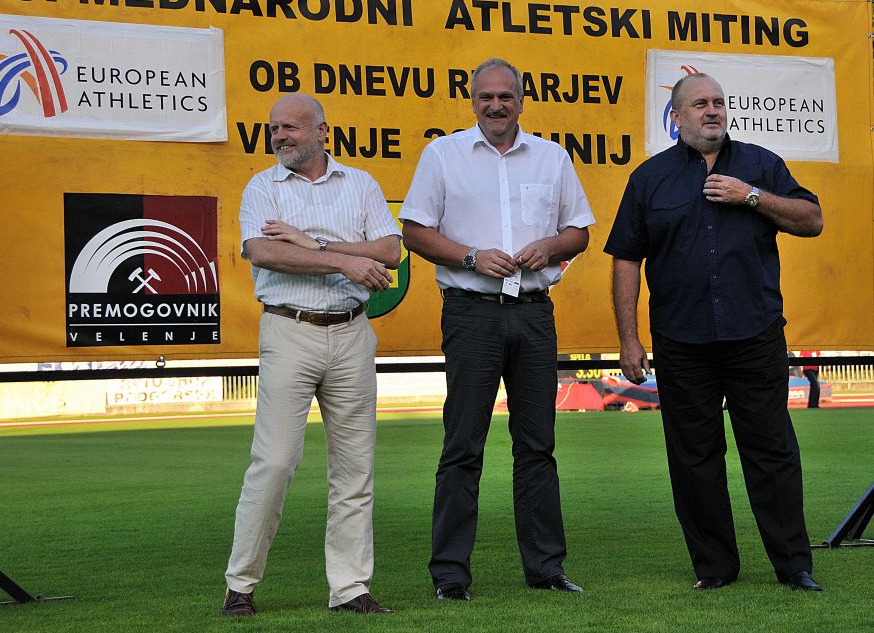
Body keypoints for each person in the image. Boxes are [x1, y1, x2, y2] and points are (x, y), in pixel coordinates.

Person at [605, 72, 824, 592]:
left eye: (719, 103)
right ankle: (716, 567)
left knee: (771, 451)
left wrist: (752, 196)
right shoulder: (649, 178)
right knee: (694, 458)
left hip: (754, 332)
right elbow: (625, 259)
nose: (713, 111)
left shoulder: (759, 165)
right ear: (675, 117)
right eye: (699, 104)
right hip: (683, 341)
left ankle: (794, 566)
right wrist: (629, 338)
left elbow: (811, 219)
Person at [400, 57, 595, 601]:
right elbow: (414, 230)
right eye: (486, 97)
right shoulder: (443, 154)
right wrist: (468, 256)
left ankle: (547, 569)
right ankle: (451, 577)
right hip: (470, 312)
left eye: (505, 96)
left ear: (522, 100)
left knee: (538, 447)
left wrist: (551, 246)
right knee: (463, 445)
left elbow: (579, 231)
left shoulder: (552, 158)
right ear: (472, 101)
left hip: (533, 312)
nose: (496, 106)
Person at [222, 93, 401, 616]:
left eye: (290, 128)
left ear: (323, 132)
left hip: (351, 333)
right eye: (274, 128)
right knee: (274, 462)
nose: (279, 137)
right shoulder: (262, 186)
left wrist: (314, 246)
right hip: (289, 329)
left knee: (355, 470)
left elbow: (390, 251)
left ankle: (350, 590)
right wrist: (344, 260)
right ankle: (241, 584)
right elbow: (264, 251)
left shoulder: (362, 183)